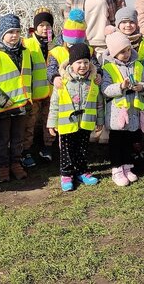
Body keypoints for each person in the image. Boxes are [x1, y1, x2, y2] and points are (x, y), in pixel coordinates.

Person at [47, 43, 104, 191]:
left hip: (85, 122)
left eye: (86, 62)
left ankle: (82, 171)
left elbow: (99, 103)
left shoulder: (93, 80)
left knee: (82, 148)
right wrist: (52, 123)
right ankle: (66, 174)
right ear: (71, 64)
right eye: (79, 62)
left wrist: (100, 120)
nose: (83, 66)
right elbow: (54, 103)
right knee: (67, 150)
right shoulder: (63, 81)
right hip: (67, 123)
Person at [0, 14, 31, 183]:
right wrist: (2, 100)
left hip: (21, 104)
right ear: (2, 33)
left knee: (18, 137)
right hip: (3, 106)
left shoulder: (24, 52)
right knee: (3, 139)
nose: (14, 35)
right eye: (10, 32)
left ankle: (16, 163)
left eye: (17, 31)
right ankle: (2, 166)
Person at [101, 31, 144, 187]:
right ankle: (117, 168)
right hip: (117, 113)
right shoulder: (108, 67)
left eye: (128, 50)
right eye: (122, 51)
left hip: (133, 111)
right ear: (114, 53)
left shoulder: (137, 65)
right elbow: (105, 89)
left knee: (129, 140)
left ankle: (127, 166)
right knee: (117, 141)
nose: (127, 54)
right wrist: (121, 87)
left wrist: (142, 87)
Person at [22, 9, 57, 165]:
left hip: (51, 91)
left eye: (48, 25)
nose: (44, 28)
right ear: (35, 27)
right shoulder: (27, 44)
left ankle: (48, 147)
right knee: (28, 123)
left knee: (50, 121)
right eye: (41, 25)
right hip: (34, 92)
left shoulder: (54, 44)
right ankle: (26, 151)